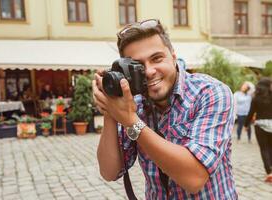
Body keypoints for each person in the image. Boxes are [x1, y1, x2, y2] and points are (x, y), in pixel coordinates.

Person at [93, 19, 237, 199]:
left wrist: (131, 121)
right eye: (137, 65)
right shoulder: (133, 103)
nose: (149, 71)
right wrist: (110, 111)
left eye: (156, 59)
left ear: (173, 56)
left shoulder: (210, 93)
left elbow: (194, 178)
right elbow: (109, 171)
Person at [244, 77, 272, 183]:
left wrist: (246, 125)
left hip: (260, 125)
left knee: (264, 148)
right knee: (270, 147)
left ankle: (269, 172)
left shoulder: (256, 98)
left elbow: (251, 112)